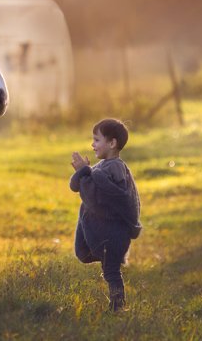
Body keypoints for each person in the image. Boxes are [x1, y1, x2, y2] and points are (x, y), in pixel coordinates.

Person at [69, 118, 142, 312]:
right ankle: (107, 255)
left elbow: (97, 197)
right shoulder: (103, 167)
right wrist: (85, 172)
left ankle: (118, 308)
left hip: (114, 231)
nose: (92, 145)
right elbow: (91, 188)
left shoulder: (114, 167)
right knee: (84, 254)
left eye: (96, 140)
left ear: (112, 143)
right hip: (105, 230)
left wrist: (84, 173)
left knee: (111, 271)